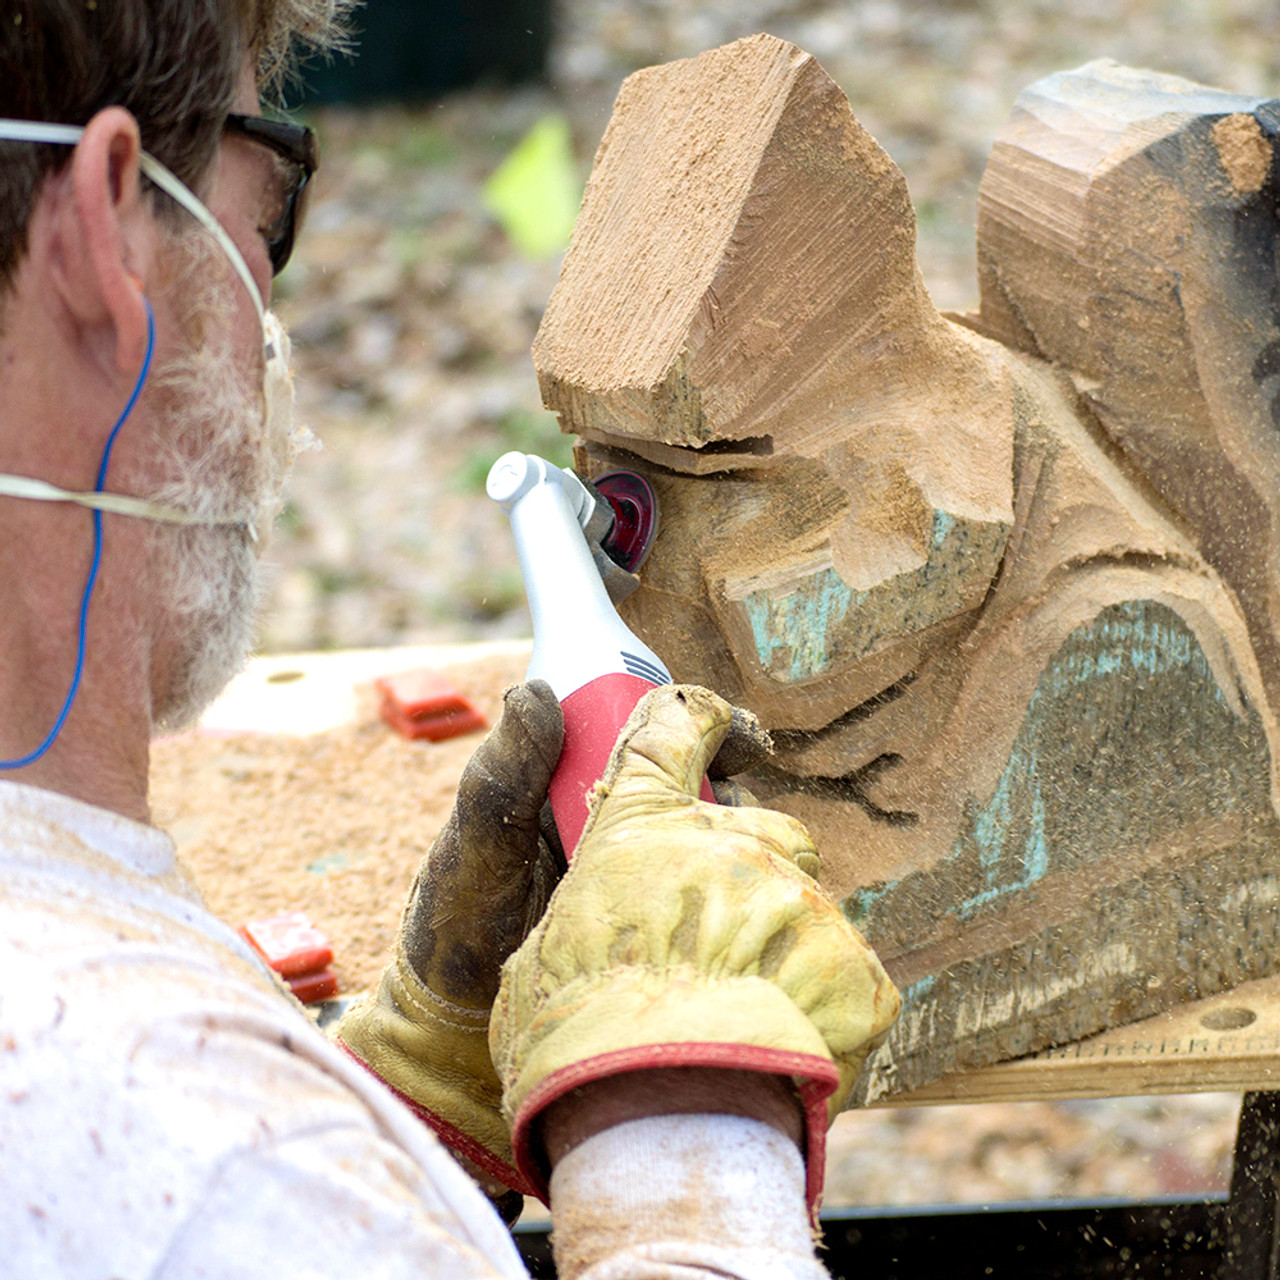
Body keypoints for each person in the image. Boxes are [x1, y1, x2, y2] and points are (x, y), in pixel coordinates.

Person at [0, 3, 899, 1276]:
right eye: (268, 216)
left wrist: (398, 1109)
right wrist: (679, 1132)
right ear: (107, 229)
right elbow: (178, 1179)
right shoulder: (212, 1167)